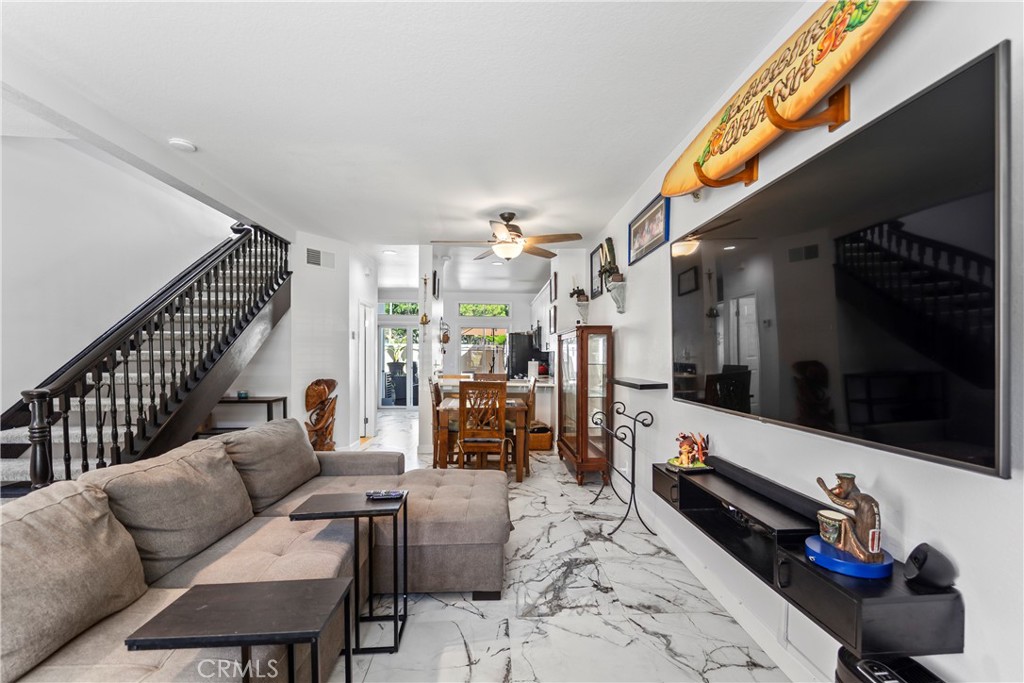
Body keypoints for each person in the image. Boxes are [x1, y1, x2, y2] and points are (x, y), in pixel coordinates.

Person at [816, 472, 884, 563]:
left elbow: (842, 502)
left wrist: (824, 488)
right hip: (871, 537)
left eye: (839, 483)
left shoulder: (856, 498)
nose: (837, 486)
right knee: (851, 519)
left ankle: (844, 545)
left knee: (846, 521)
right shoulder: (862, 497)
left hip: (864, 536)